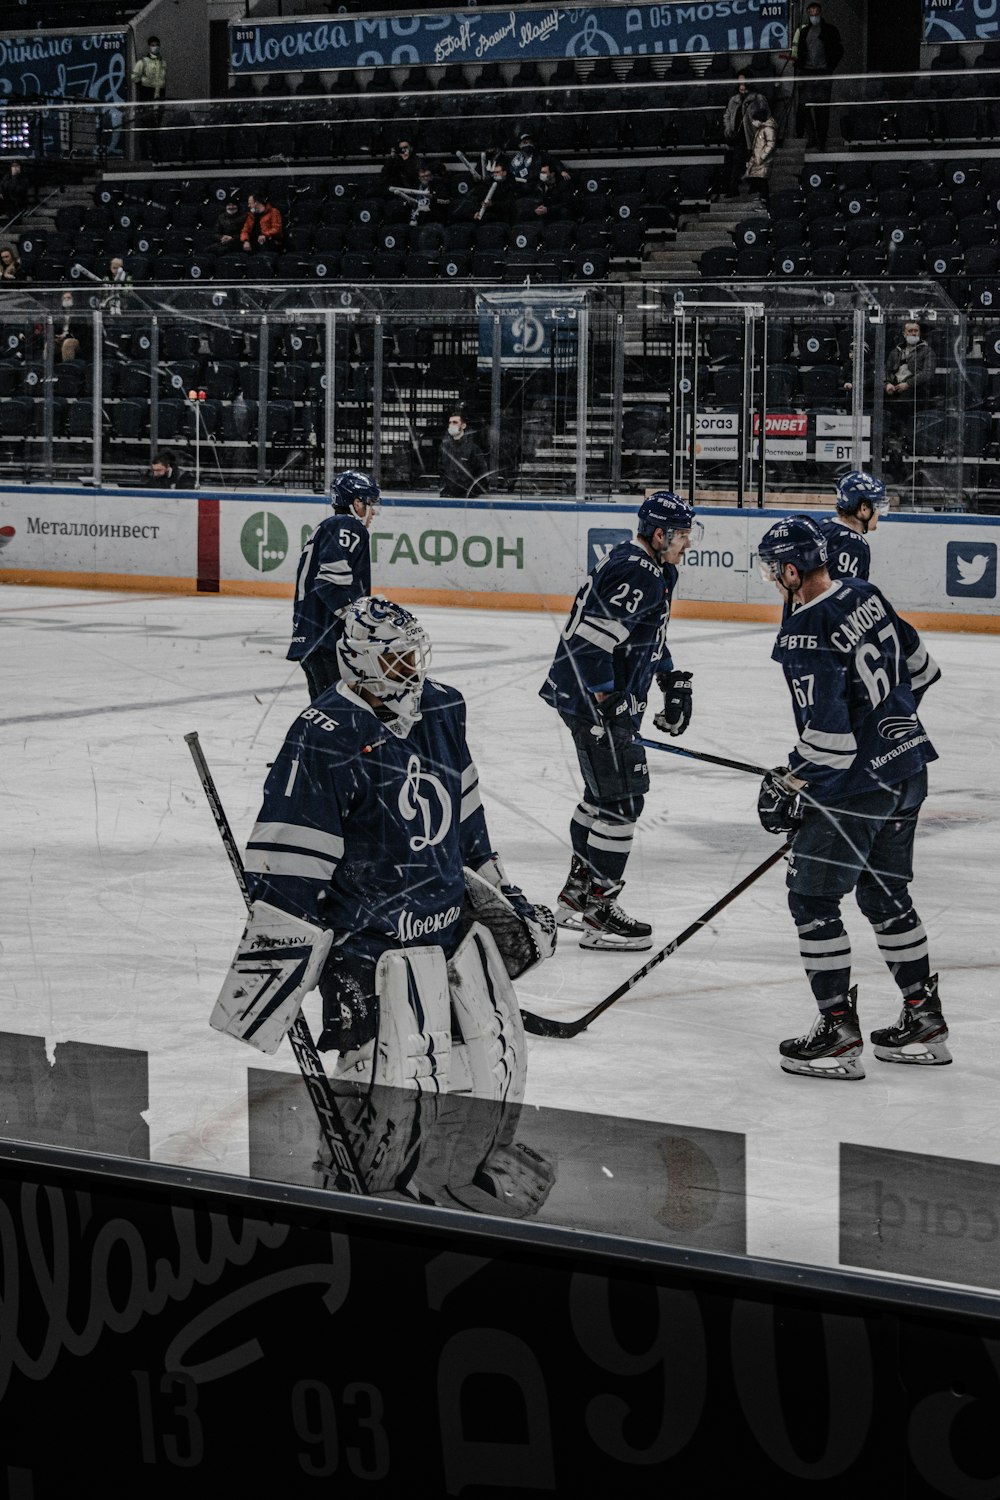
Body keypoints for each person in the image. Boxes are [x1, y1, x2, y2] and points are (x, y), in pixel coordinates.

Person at [244, 594, 554, 1061]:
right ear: (360, 665)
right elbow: (292, 858)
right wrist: (276, 949)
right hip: (367, 945)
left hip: (448, 930)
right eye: (396, 658)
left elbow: (466, 819)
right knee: (380, 1072)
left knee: (480, 1061)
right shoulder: (325, 734)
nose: (412, 668)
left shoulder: (443, 708)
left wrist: (502, 889)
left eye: (413, 654)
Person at [755, 514, 949, 1081]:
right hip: (909, 768)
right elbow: (923, 669)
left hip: (854, 792)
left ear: (793, 570)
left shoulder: (802, 634)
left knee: (812, 903)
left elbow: (831, 745)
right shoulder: (866, 593)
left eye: (774, 571)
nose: (772, 581)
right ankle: (924, 1014)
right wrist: (888, 729)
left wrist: (788, 781)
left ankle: (837, 1031)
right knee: (886, 896)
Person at [540, 493, 698, 951]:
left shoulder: (654, 569)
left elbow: (645, 634)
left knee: (600, 798)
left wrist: (670, 677)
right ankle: (598, 913)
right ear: (659, 534)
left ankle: (576, 897)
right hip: (592, 701)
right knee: (624, 803)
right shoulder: (638, 569)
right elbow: (592, 640)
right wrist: (608, 700)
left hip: (594, 698)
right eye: (683, 535)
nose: (688, 544)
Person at [287, 469, 380, 701]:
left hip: (312, 638)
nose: (373, 510)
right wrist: (356, 620)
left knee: (324, 718)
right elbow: (329, 582)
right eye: (369, 502)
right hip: (326, 641)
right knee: (339, 719)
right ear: (356, 502)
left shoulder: (327, 526)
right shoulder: (347, 525)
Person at [791, 2, 843, 151]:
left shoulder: (829, 30)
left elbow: (838, 49)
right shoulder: (804, 31)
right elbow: (799, 51)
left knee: (821, 108)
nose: (814, 14)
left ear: (820, 12)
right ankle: (811, 136)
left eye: (816, 11)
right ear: (808, 13)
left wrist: (830, 66)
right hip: (807, 72)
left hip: (822, 72)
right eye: (811, 12)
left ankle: (821, 139)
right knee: (805, 107)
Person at [721, 73, 770, 199]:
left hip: (752, 137)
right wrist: (729, 128)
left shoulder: (758, 98)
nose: (742, 86)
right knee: (736, 164)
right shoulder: (734, 100)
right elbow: (727, 115)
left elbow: (765, 116)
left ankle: (757, 189)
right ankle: (733, 189)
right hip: (738, 137)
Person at [131, 36, 168, 161]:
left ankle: (154, 154)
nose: (155, 47)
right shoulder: (143, 62)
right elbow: (134, 77)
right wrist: (145, 83)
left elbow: (163, 81)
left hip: (159, 98)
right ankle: (147, 154)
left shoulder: (162, 62)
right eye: (153, 44)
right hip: (147, 98)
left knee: (155, 127)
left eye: (157, 44)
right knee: (147, 127)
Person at [438, 411, 488, 497]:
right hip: (447, 495)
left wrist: (472, 493)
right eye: (450, 422)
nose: (451, 425)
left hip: (466, 497)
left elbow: (482, 473)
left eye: (455, 422)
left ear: (463, 425)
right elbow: (440, 470)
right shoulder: (444, 447)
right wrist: (443, 488)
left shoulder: (473, 448)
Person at [885, 319, 933, 402]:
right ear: (904, 334)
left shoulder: (927, 351)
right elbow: (886, 370)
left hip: (915, 388)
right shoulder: (895, 351)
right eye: (910, 331)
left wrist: (908, 384)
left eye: (916, 331)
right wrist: (887, 384)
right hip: (894, 386)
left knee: (902, 403)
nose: (914, 333)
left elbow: (927, 373)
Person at [744, 103, 777, 205]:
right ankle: (761, 197)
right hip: (759, 159)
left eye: (754, 120)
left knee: (762, 181)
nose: (753, 122)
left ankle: (764, 199)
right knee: (759, 179)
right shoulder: (762, 129)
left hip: (764, 160)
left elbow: (770, 144)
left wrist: (762, 156)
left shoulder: (767, 129)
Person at [474, 159, 517, 224]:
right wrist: (478, 210)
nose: (495, 174)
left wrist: (493, 204)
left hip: (503, 216)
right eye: (494, 172)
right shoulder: (489, 183)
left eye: (497, 172)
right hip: (489, 213)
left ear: (504, 173)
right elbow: (480, 198)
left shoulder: (511, 184)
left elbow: (509, 204)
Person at [241, 190, 284, 254]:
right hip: (254, 241)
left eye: (250, 203)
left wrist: (265, 235)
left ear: (256, 203)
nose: (248, 206)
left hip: (268, 240)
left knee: (264, 244)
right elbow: (245, 230)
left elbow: (277, 229)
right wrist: (245, 240)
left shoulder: (273, 212)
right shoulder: (251, 215)